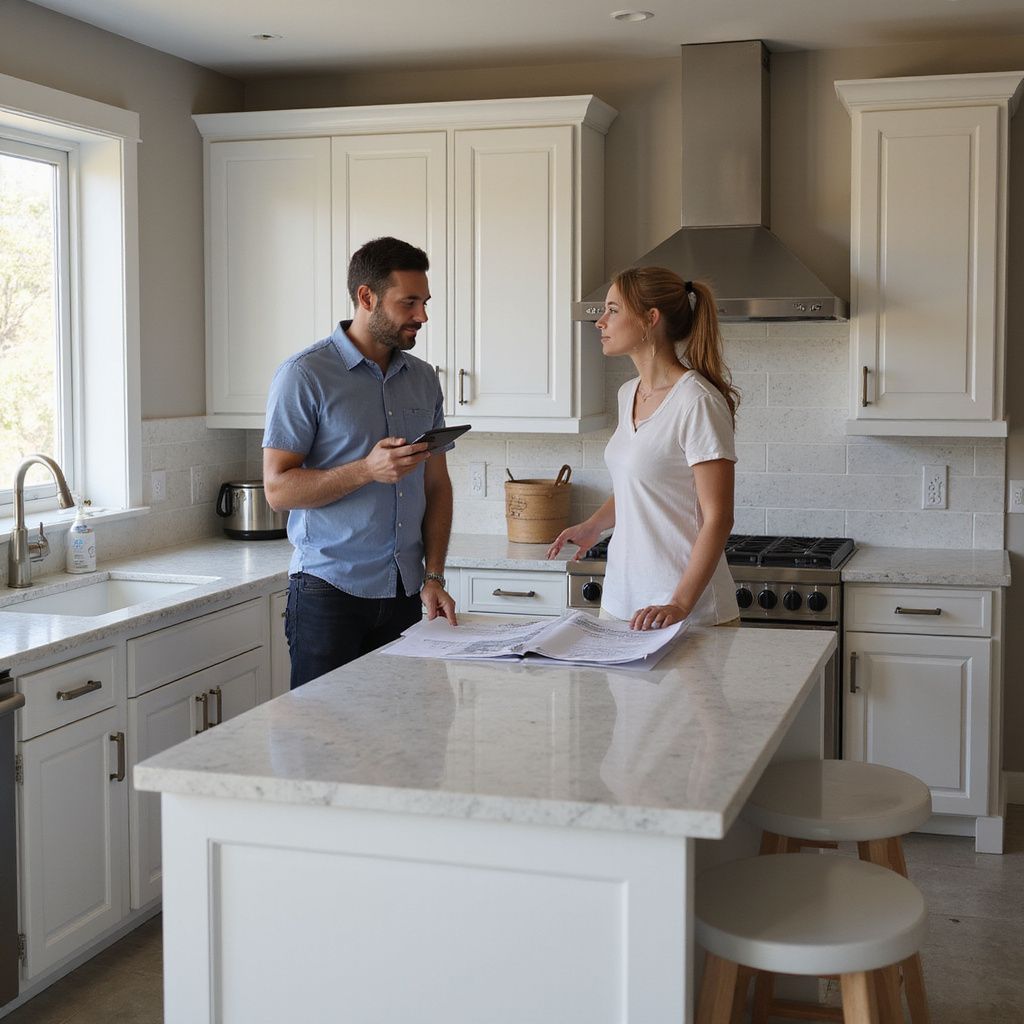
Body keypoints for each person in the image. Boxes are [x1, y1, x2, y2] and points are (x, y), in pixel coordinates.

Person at [262, 236, 458, 689]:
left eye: (424, 302)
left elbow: (437, 486)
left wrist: (433, 574)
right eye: (408, 302)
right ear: (366, 297)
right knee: (323, 745)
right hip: (328, 595)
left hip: (406, 592)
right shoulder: (305, 375)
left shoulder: (424, 378)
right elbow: (278, 490)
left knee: (401, 739)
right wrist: (366, 470)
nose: (422, 316)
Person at [547, 267, 740, 630]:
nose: (600, 322)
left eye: (613, 310)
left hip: (686, 613)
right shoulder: (628, 394)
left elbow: (719, 517)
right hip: (622, 603)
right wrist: (594, 525)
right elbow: (640, 485)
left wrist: (679, 604)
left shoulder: (697, 401)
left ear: (651, 318)